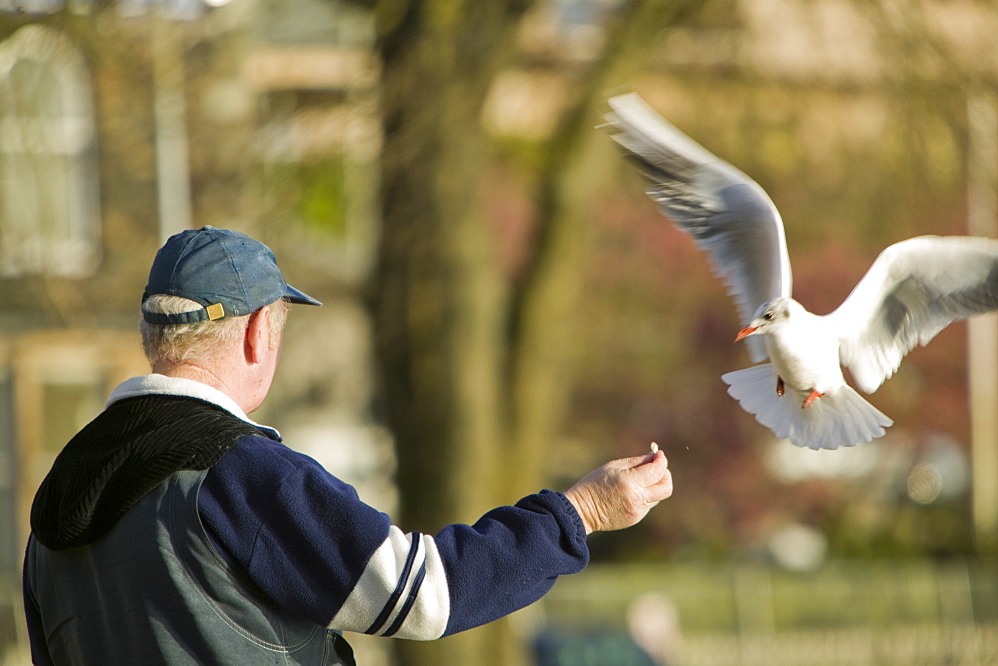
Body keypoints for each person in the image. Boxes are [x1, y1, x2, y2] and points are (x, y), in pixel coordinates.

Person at [22, 226, 673, 665]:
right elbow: (423, 596)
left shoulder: (56, 497)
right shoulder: (239, 472)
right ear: (256, 336)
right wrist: (580, 514)